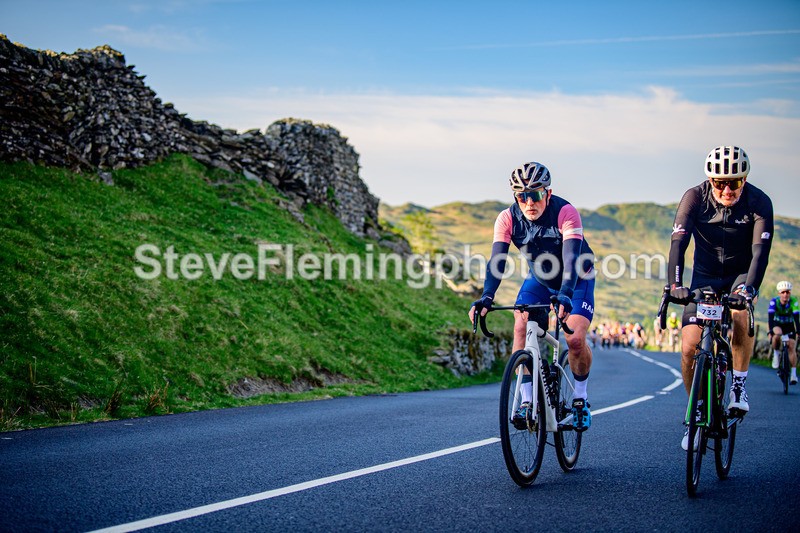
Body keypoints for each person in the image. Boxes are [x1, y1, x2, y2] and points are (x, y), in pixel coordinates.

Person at [468, 162, 596, 431]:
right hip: (539, 279)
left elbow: (572, 260)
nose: (529, 202)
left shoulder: (565, 212)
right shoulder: (507, 219)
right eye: (521, 196)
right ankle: (527, 401)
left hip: (577, 279)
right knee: (520, 324)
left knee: (574, 339)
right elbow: (497, 262)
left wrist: (566, 294)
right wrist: (487, 297)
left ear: (547, 193)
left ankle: (581, 398)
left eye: (535, 194)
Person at [667, 146, 773, 450]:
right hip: (704, 277)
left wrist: (749, 289)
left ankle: (738, 385)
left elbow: (759, 254)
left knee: (740, 315)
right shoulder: (694, 198)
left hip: (740, 275)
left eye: (735, 182)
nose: (727, 189)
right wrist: (675, 284)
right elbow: (678, 244)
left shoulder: (759, 202)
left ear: (744, 179)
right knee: (689, 347)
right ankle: (696, 411)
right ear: (710, 180)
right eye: (720, 183)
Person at [768, 281, 799, 384]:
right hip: (777, 324)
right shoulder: (774, 301)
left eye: (788, 292)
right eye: (783, 292)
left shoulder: (794, 301)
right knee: (777, 335)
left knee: (792, 346)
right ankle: (776, 354)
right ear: (779, 293)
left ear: (790, 293)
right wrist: (770, 331)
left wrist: (798, 331)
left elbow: (796, 317)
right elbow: (770, 318)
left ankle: (793, 374)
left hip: (789, 326)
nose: (785, 294)